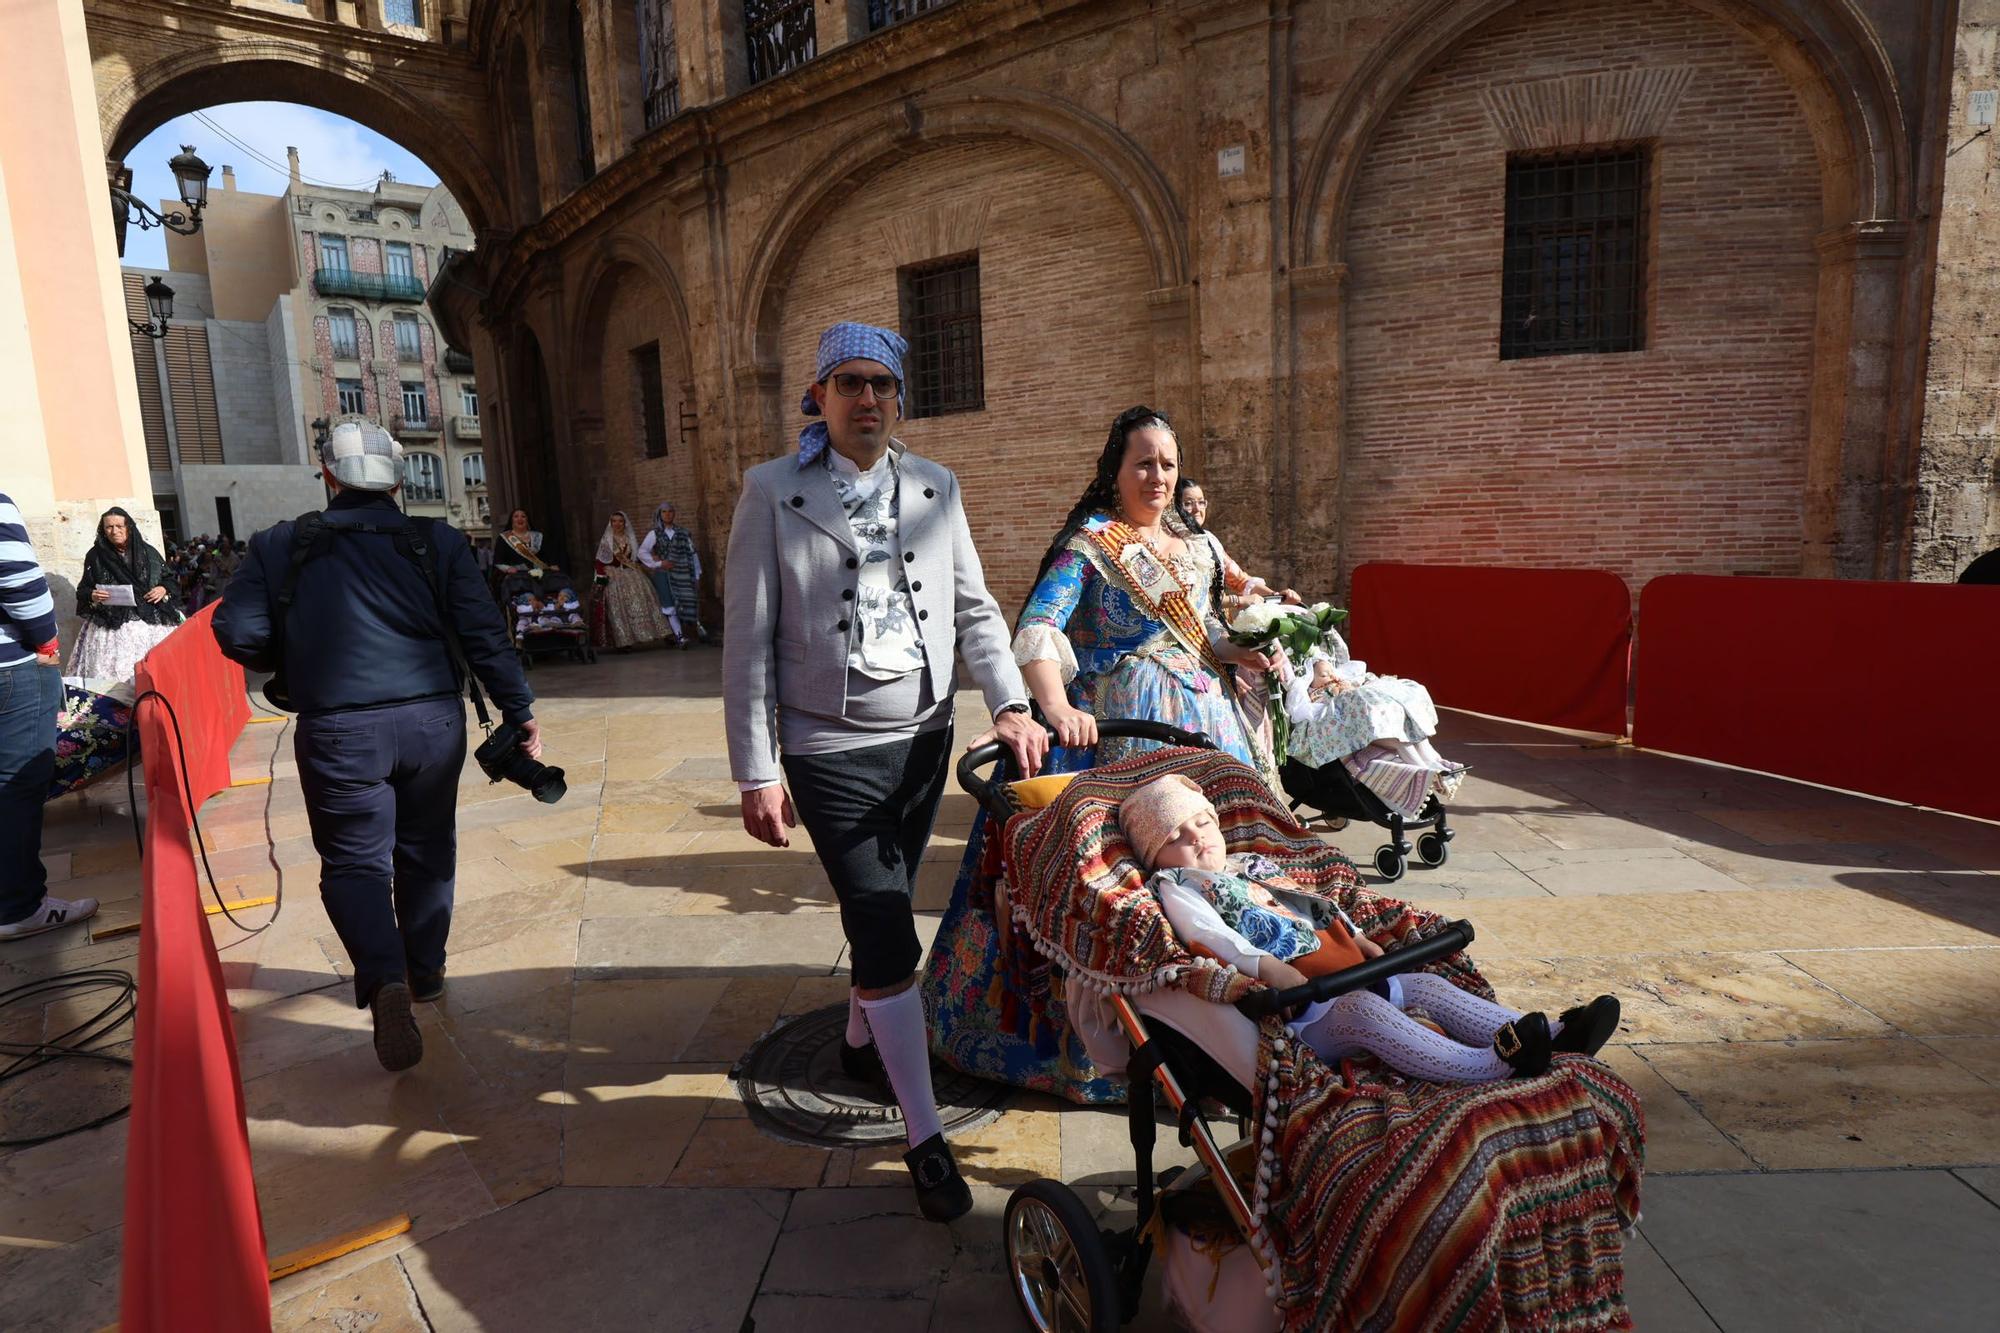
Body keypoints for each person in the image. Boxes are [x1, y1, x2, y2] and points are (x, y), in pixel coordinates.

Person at [724, 320, 1046, 1223]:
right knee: (882, 921)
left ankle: (864, 1035)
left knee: (888, 909)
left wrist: (1010, 701)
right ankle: (923, 1133)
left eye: (883, 385)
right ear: (818, 398)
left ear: (898, 398)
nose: (868, 399)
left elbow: (977, 610)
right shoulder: (770, 492)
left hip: (923, 738)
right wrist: (757, 769)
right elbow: (746, 645)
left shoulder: (939, 486)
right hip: (827, 751)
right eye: (849, 382)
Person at [922, 407, 1278, 1104]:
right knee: (1132, 883)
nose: (1158, 476)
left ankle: (1222, 1018)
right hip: (1124, 734)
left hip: (1208, 728)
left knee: (1212, 872)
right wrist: (1055, 706)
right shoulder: (1093, 544)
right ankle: (1117, 1039)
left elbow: (1201, 624)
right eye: (1143, 462)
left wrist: (1241, 648)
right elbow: (1038, 627)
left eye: (1168, 464)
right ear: (1115, 470)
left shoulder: (1192, 543)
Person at [214, 421, 540, 1072]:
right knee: (426, 849)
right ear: (396, 479)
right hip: (430, 723)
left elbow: (238, 630)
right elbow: (484, 633)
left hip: (338, 730)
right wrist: (519, 709)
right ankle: (426, 972)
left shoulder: (282, 543)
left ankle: (385, 976)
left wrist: (294, 651)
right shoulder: (438, 542)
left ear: (329, 476)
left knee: (356, 863)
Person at [1122, 774, 1620, 1080]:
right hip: (1309, 1010)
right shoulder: (1179, 885)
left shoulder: (1251, 863)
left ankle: (1556, 1034)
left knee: (1425, 984)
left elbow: (1310, 903)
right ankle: (1485, 1067)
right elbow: (1210, 935)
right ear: (1156, 855)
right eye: (1176, 837)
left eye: (1202, 825)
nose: (1198, 841)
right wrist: (1269, 969)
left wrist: (1356, 935)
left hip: (1350, 968)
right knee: (1364, 1014)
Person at [0, 492, 96, 942]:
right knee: (17, 784)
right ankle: (19, 906)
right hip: (10, 670)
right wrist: (46, 644)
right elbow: (17, 579)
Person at [69, 506, 181, 682]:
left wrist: (162, 589)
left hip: (150, 622)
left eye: (119, 526)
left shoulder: (148, 552)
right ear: (103, 530)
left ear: (128, 527)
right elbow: (83, 589)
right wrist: (93, 594)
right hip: (111, 625)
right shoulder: (95, 556)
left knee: (157, 676)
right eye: (109, 527)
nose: (115, 531)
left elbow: (169, 579)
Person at [1176, 476, 1300, 615]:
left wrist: (1277, 596)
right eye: (1188, 503)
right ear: (1174, 507)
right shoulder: (1172, 544)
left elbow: (1240, 581)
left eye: (1201, 502)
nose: (1197, 509)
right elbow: (1189, 599)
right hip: (1189, 628)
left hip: (1218, 623)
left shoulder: (1209, 540)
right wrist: (1238, 600)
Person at [592, 511, 671, 650]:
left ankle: (661, 633)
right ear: (610, 523)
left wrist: (653, 559)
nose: (617, 524)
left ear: (625, 523)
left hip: (632, 573)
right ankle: (623, 641)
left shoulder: (630, 538)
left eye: (620, 521)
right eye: (614, 521)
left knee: (646, 601)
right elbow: (600, 562)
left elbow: (636, 557)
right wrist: (604, 576)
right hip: (614, 576)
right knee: (618, 607)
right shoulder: (607, 540)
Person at [636, 500, 705, 647]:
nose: (667, 515)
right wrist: (659, 563)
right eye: (664, 512)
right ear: (660, 515)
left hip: (683, 574)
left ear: (674, 514)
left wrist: (697, 575)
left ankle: (684, 633)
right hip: (664, 574)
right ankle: (680, 637)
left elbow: (692, 554)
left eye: (670, 511)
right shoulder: (654, 533)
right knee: (670, 606)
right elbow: (642, 552)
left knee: (685, 603)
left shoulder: (683, 533)